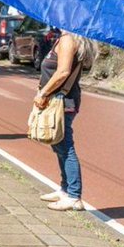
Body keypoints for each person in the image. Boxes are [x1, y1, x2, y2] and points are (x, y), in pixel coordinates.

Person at [36, 30, 91, 211]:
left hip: (63, 100)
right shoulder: (67, 38)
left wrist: (44, 93)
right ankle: (65, 189)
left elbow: (63, 72)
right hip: (62, 99)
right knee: (58, 143)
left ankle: (74, 195)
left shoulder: (68, 40)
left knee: (65, 146)